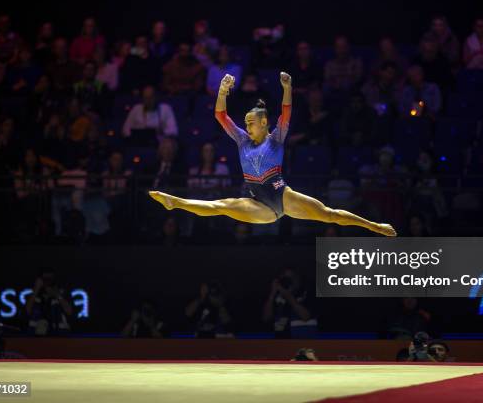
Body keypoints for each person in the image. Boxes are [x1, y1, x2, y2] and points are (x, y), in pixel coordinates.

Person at [149, 72, 396, 236]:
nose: (246, 127)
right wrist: (223, 92)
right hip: (258, 204)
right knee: (221, 206)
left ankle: (374, 226)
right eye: (245, 123)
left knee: (328, 215)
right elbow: (220, 116)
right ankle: (175, 202)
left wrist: (287, 88)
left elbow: (286, 113)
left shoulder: (276, 138)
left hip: (282, 197)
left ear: (264, 122)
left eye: (251, 123)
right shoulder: (241, 140)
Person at [263, 269, 317, 338]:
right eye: (284, 279)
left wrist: (288, 295)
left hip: (304, 343)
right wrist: (272, 293)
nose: (288, 281)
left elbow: (305, 316)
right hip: (281, 344)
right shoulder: (277, 298)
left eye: (290, 278)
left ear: (298, 279)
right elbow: (266, 318)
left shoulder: (307, 294)